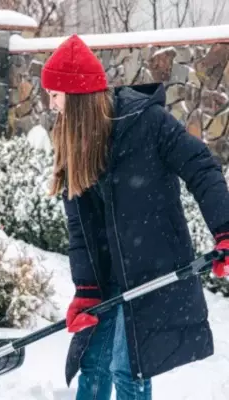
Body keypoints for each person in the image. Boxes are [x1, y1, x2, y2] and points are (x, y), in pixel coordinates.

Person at [40, 34, 229, 400]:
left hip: (151, 269)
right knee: (93, 363)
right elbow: (80, 227)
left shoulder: (148, 123)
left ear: (76, 98)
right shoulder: (72, 142)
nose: (51, 105)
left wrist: (225, 229)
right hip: (109, 276)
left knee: (128, 368)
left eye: (55, 95)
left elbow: (201, 167)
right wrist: (86, 289)